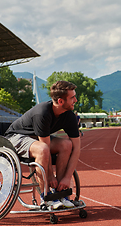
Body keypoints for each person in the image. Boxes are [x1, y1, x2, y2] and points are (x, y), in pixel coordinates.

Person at [5, 80, 81, 209]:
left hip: (36, 138)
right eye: (72, 97)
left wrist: (67, 178)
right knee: (42, 148)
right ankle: (46, 196)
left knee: (67, 145)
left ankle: (61, 193)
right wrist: (50, 175)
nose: (76, 100)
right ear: (61, 101)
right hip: (17, 137)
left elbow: (77, 148)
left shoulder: (69, 116)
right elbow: (44, 145)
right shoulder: (43, 113)